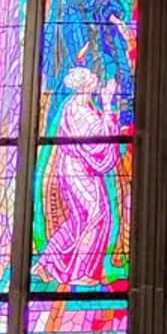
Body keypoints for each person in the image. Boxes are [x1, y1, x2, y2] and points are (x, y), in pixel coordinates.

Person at [35, 69, 122, 288]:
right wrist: (108, 104)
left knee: (80, 219)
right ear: (85, 86)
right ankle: (79, 272)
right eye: (92, 81)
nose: (95, 83)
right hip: (77, 169)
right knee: (96, 214)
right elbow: (98, 141)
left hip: (81, 168)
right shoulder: (78, 110)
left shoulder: (81, 105)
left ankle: (47, 263)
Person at [46, 0, 134, 130]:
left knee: (113, 68)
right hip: (79, 29)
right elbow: (87, 1)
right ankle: (84, 123)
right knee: (88, 70)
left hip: (84, 28)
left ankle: (112, 120)